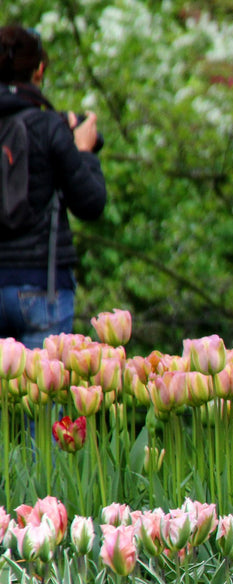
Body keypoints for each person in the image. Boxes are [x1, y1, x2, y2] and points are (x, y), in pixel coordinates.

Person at [0, 24, 106, 349]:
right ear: (39, 69)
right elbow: (90, 203)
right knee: (42, 397)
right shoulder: (49, 128)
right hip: (41, 286)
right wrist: (84, 151)